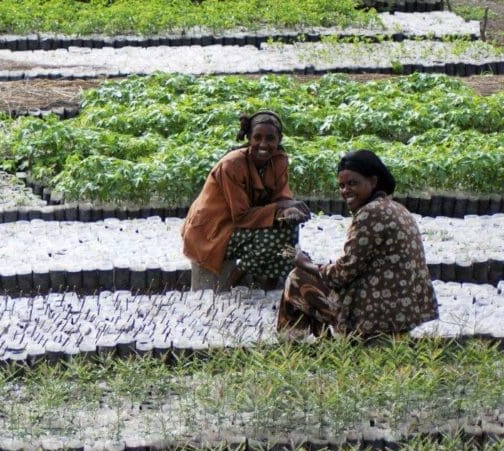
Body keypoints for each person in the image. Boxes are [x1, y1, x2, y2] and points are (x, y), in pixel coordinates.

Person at [278, 150, 438, 338]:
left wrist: (305, 263)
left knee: (297, 278)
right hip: (405, 311)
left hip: (379, 315)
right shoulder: (395, 208)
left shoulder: (369, 214)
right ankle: (321, 342)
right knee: (313, 279)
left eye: (353, 183)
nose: (346, 191)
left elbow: (341, 275)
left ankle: (292, 343)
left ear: (373, 181)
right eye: (342, 186)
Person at [182, 110, 311, 289]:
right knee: (271, 239)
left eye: (270, 138)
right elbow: (241, 216)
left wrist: (288, 210)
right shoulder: (232, 165)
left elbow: (281, 196)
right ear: (249, 139)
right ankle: (236, 278)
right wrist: (280, 207)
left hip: (241, 223)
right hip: (213, 229)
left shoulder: (278, 161)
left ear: (279, 139)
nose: (263, 144)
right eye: (257, 137)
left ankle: (270, 284)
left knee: (288, 229)